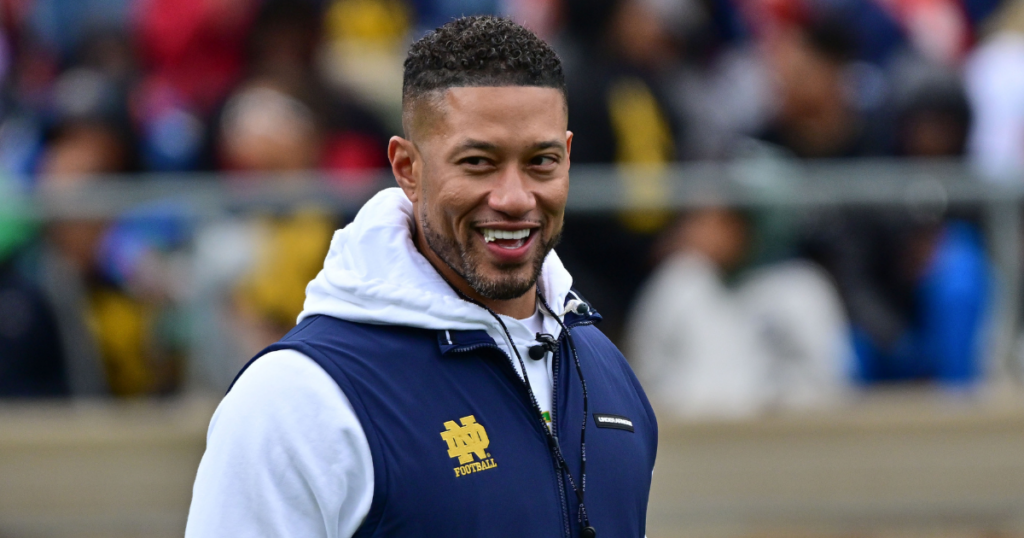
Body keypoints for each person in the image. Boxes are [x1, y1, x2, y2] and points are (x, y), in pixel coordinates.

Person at [186, 16, 657, 538]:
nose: (514, 198)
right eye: (478, 162)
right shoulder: (296, 398)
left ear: (568, 157)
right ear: (407, 168)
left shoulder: (602, 367)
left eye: (541, 161)